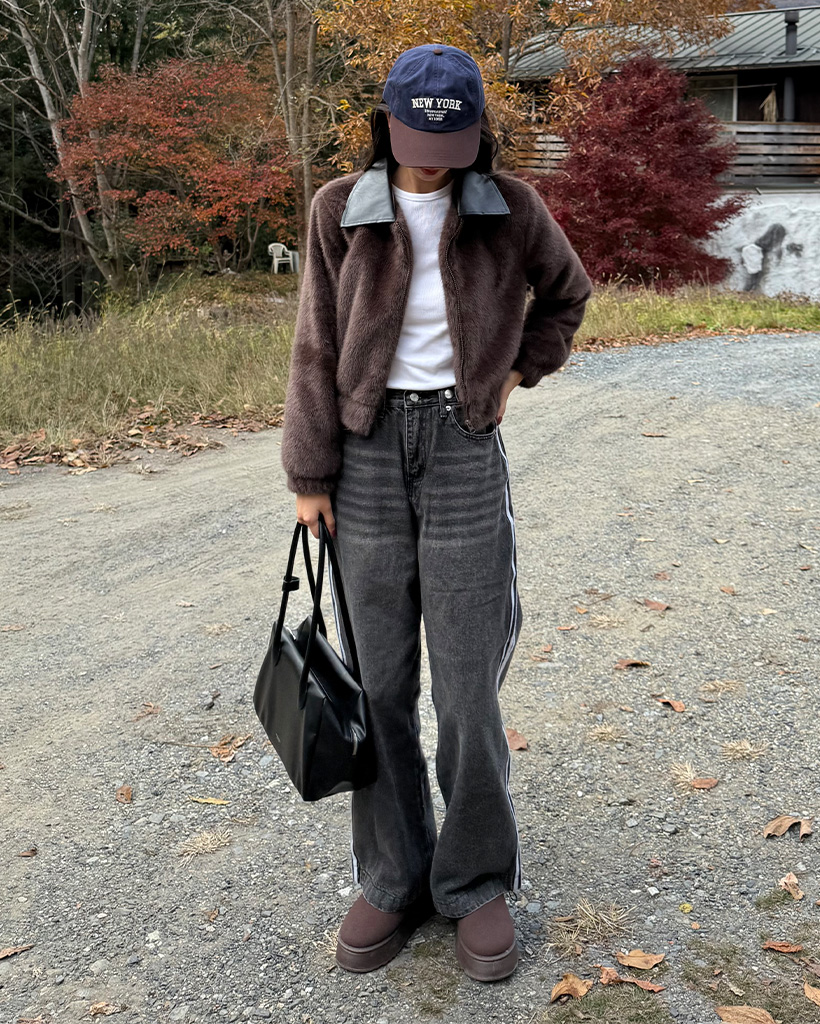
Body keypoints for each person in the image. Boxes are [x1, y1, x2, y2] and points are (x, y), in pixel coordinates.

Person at [280, 43, 593, 982]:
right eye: (416, 141)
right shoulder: (340, 207)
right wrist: (309, 471)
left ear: (477, 132)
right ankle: (393, 874)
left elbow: (568, 296)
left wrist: (512, 375)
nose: (430, 163)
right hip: (366, 458)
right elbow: (315, 341)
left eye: (449, 145)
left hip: (462, 451)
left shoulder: (511, 208)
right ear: (386, 124)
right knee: (377, 684)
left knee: (466, 688)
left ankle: (476, 878)